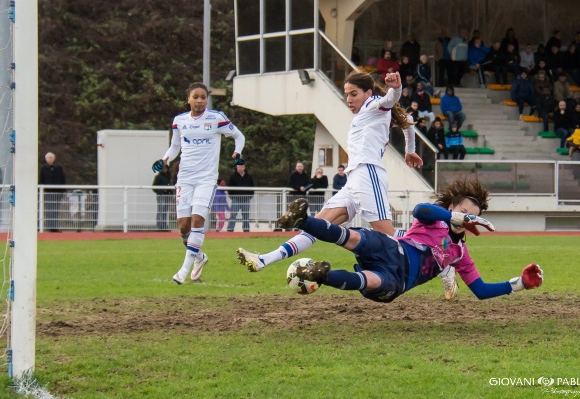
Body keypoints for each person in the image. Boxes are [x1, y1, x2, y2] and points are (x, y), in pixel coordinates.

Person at [238, 71, 428, 284]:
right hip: (354, 179)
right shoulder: (369, 112)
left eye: (354, 94)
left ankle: (435, 253)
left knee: (386, 233)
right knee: (317, 226)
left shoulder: (374, 104)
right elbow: (408, 120)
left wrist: (396, 88)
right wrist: (409, 150)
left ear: (368, 92)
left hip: (368, 173)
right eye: (346, 94)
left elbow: (391, 99)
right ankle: (264, 259)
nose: (349, 99)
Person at [276, 179, 543, 304]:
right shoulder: (433, 220)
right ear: (452, 208)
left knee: (373, 280)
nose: (466, 218)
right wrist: (454, 216)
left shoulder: (460, 254)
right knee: (358, 238)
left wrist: (520, 284)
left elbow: (481, 291)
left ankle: (321, 275)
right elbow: (420, 210)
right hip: (395, 249)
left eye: (472, 217)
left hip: (400, 280)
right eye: (463, 212)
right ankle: (302, 220)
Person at [152, 82, 245, 284]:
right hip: (184, 178)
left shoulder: (216, 118)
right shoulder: (179, 121)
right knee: (183, 227)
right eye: (196, 97)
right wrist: (165, 158)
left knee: (197, 221)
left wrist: (237, 152)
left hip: (206, 179)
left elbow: (239, 136)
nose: (200, 100)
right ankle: (200, 257)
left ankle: (183, 271)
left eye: (203, 97)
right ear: (188, 99)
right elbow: (175, 146)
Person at [39, 152, 66, 232]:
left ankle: (54, 227)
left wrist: (62, 190)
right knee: (49, 210)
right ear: (46, 159)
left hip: (57, 192)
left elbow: (62, 179)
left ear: (54, 159)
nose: (50, 159)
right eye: (48, 158)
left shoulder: (58, 168)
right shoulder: (43, 168)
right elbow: (41, 180)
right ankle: (49, 226)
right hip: (47, 192)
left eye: (51, 158)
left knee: (56, 210)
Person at [227, 163, 255, 233]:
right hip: (236, 198)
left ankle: (246, 229)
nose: (240, 168)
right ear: (236, 168)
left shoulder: (249, 177)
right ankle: (230, 229)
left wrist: (250, 196)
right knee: (233, 214)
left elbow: (252, 187)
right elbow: (229, 188)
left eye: (241, 167)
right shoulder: (233, 177)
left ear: (244, 167)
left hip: (246, 198)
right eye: (238, 167)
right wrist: (232, 196)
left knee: (246, 214)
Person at [152, 163, 173, 231]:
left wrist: (170, 192)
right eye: (163, 168)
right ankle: (159, 226)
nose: (165, 169)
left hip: (167, 196)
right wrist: (161, 192)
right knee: (160, 210)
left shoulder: (168, 176)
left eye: (165, 168)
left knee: (165, 211)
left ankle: (164, 225)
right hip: (161, 196)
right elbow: (154, 187)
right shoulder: (158, 177)